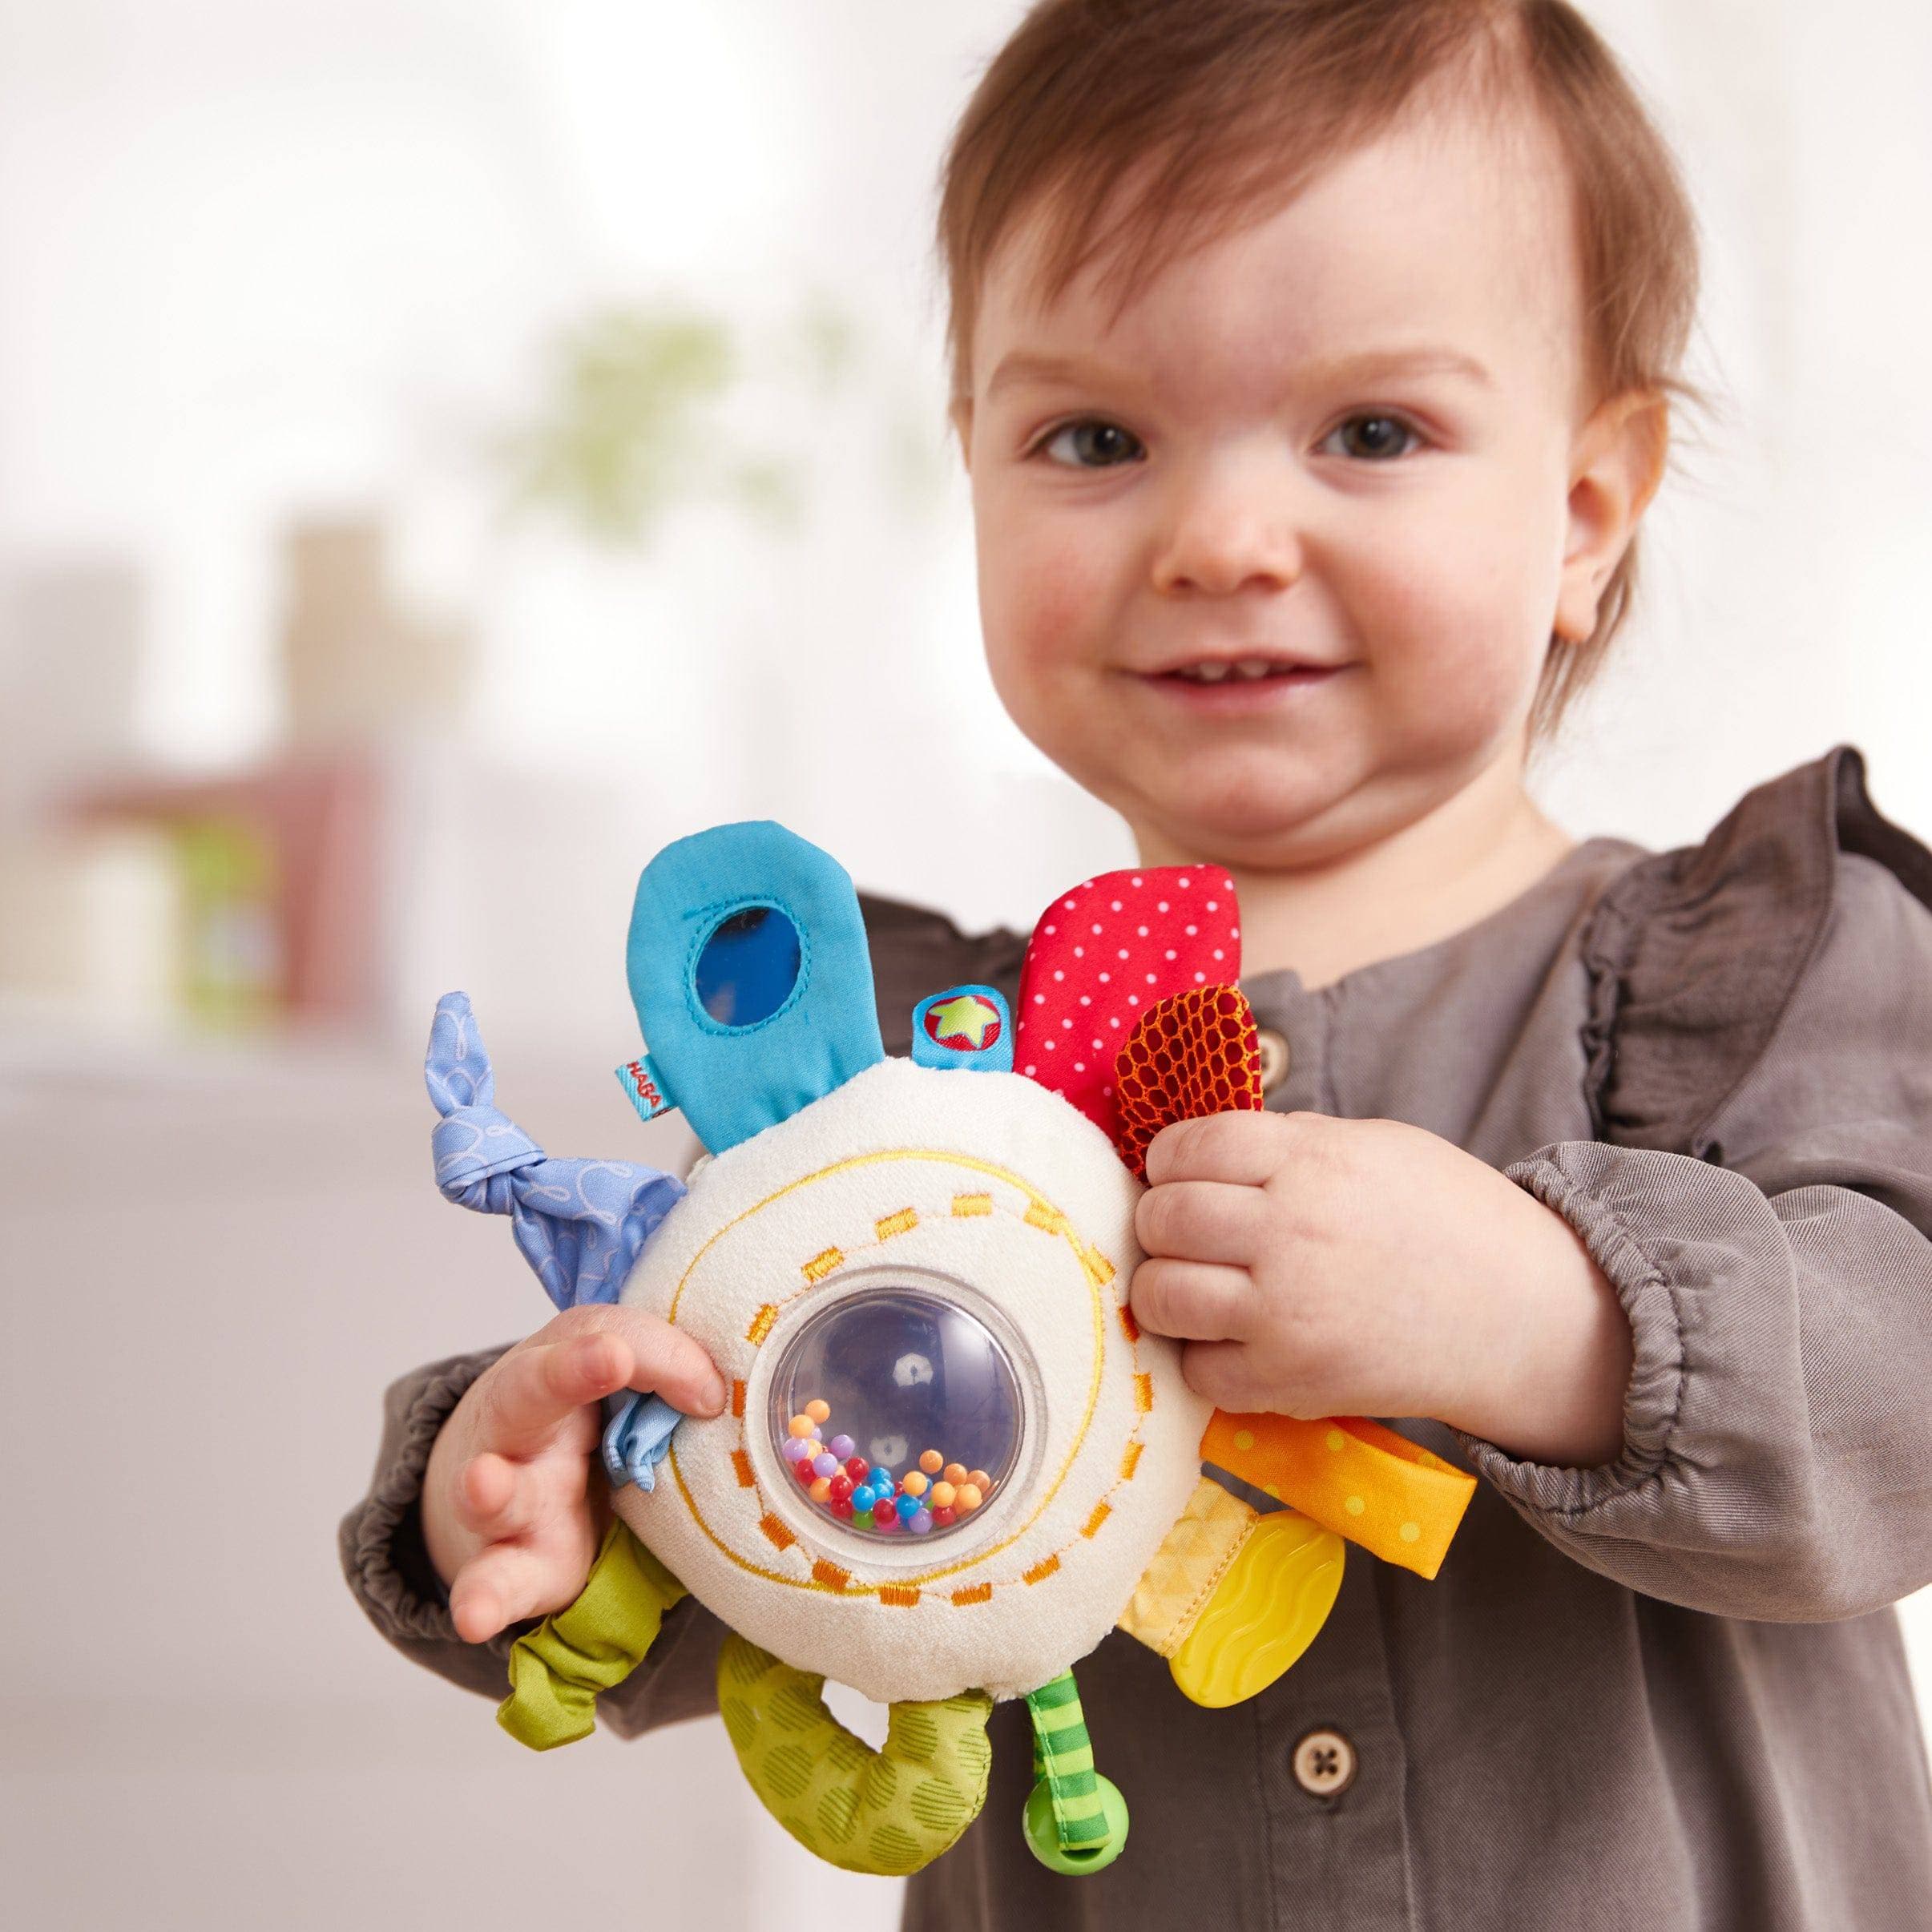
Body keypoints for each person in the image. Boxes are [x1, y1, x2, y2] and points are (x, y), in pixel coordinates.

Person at [339, 2, 1932, 1926]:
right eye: (1094, 437)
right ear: (977, 471)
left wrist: (1552, 1322)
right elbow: (751, 1555)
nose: (1220, 533)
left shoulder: (1757, 969)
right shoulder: (900, 1100)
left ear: (1587, 515)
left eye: (1372, 432)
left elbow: (1901, 1407)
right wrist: (551, 1503)